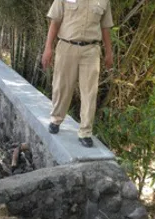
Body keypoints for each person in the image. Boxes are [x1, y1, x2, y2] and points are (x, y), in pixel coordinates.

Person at [42, 0, 114, 148]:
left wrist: (109, 52)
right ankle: (56, 119)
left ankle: (85, 132)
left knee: (89, 91)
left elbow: (105, 27)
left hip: (91, 50)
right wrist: (48, 48)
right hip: (66, 46)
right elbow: (55, 22)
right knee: (62, 86)